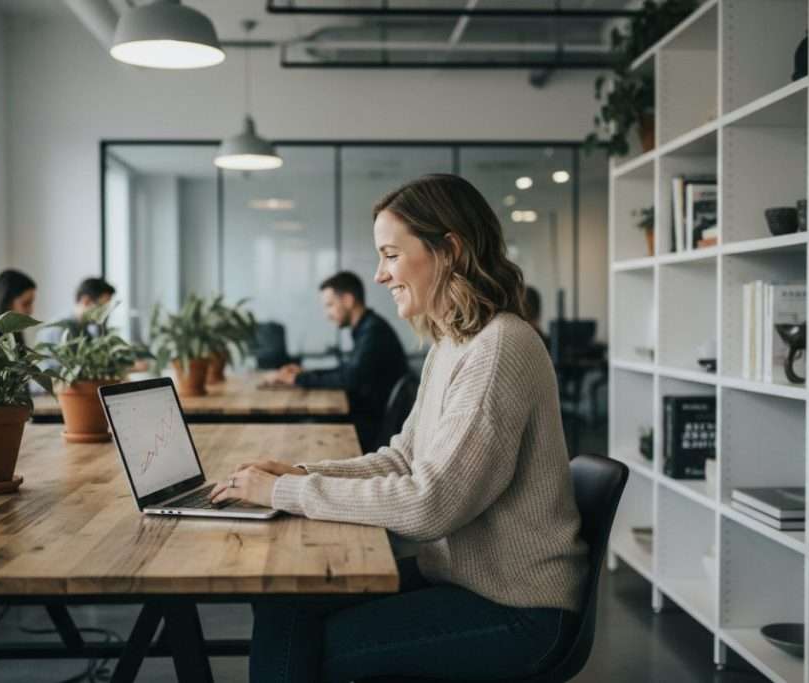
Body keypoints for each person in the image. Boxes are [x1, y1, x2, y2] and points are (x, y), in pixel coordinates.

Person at [212, 174, 588, 683]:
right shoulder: (451, 342)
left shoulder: (499, 347)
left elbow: (430, 504)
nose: (380, 275)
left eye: (391, 254)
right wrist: (300, 472)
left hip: (518, 610)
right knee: (286, 603)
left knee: (319, 645)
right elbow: (402, 459)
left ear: (449, 250)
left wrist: (287, 491)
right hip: (462, 580)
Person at [265, 271, 409, 453]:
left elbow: (349, 379)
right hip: (366, 418)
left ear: (348, 300)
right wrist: (303, 374)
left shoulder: (374, 332)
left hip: (368, 427)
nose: (328, 314)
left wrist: (298, 379)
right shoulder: (368, 328)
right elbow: (348, 371)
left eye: (330, 305)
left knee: (299, 428)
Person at [37, 277, 116, 346]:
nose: (106, 313)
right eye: (102, 307)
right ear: (86, 301)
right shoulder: (61, 328)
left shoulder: (83, 328)